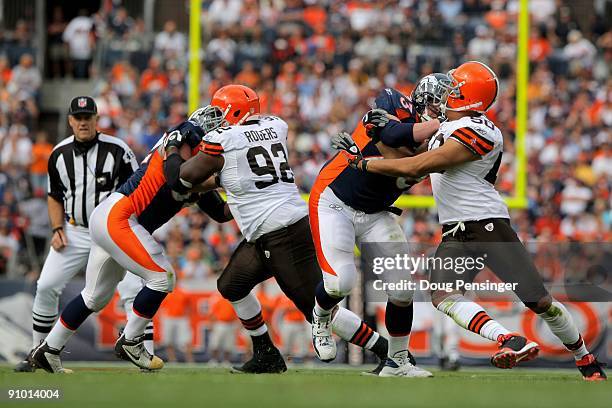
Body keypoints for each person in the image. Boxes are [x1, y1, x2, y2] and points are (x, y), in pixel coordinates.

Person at [331, 61, 607, 382]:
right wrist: (388, 126)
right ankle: (509, 339)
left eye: (455, 89)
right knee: (443, 295)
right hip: (456, 231)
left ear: (470, 98)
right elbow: (410, 149)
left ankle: (585, 359)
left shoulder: (480, 129)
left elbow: (417, 166)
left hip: (487, 225)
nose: (448, 93)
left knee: (539, 300)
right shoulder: (447, 125)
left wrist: (363, 164)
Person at [164, 85, 390, 374]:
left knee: (318, 312)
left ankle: (387, 352)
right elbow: (232, 176)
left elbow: (181, 177)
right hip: (271, 229)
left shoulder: (226, 140)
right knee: (231, 285)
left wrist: (172, 147)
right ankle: (266, 353)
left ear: (235, 112)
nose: (216, 119)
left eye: (221, 112)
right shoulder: (275, 126)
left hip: (284, 235)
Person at [25, 107, 233, 373]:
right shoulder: (184, 136)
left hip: (111, 218)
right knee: (162, 278)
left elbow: (220, 213)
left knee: (94, 297)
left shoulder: (195, 168)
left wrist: (245, 193)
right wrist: (219, 180)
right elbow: (176, 179)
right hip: (120, 217)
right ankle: (131, 340)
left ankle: (48, 350)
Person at [308, 82, 441, 377]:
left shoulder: (444, 139)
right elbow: (393, 133)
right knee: (340, 282)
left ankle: (397, 362)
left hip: (376, 213)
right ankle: (321, 316)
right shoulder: (393, 112)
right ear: (419, 103)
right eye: (436, 104)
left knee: (402, 288)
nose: (442, 110)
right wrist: (432, 128)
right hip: (335, 202)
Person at [15, 96, 138, 372]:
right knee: (46, 286)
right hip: (75, 230)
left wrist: (129, 228)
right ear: (70, 120)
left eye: (87, 117)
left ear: (96, 119)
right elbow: (54, 196)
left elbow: (136, 191)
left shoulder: (118, 149)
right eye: (78, 118)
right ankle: (38, 353)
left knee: (132, 287)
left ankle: (144, 356)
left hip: (111, 231)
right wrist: (57, 228)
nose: (83, 122)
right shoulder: (58, 154)